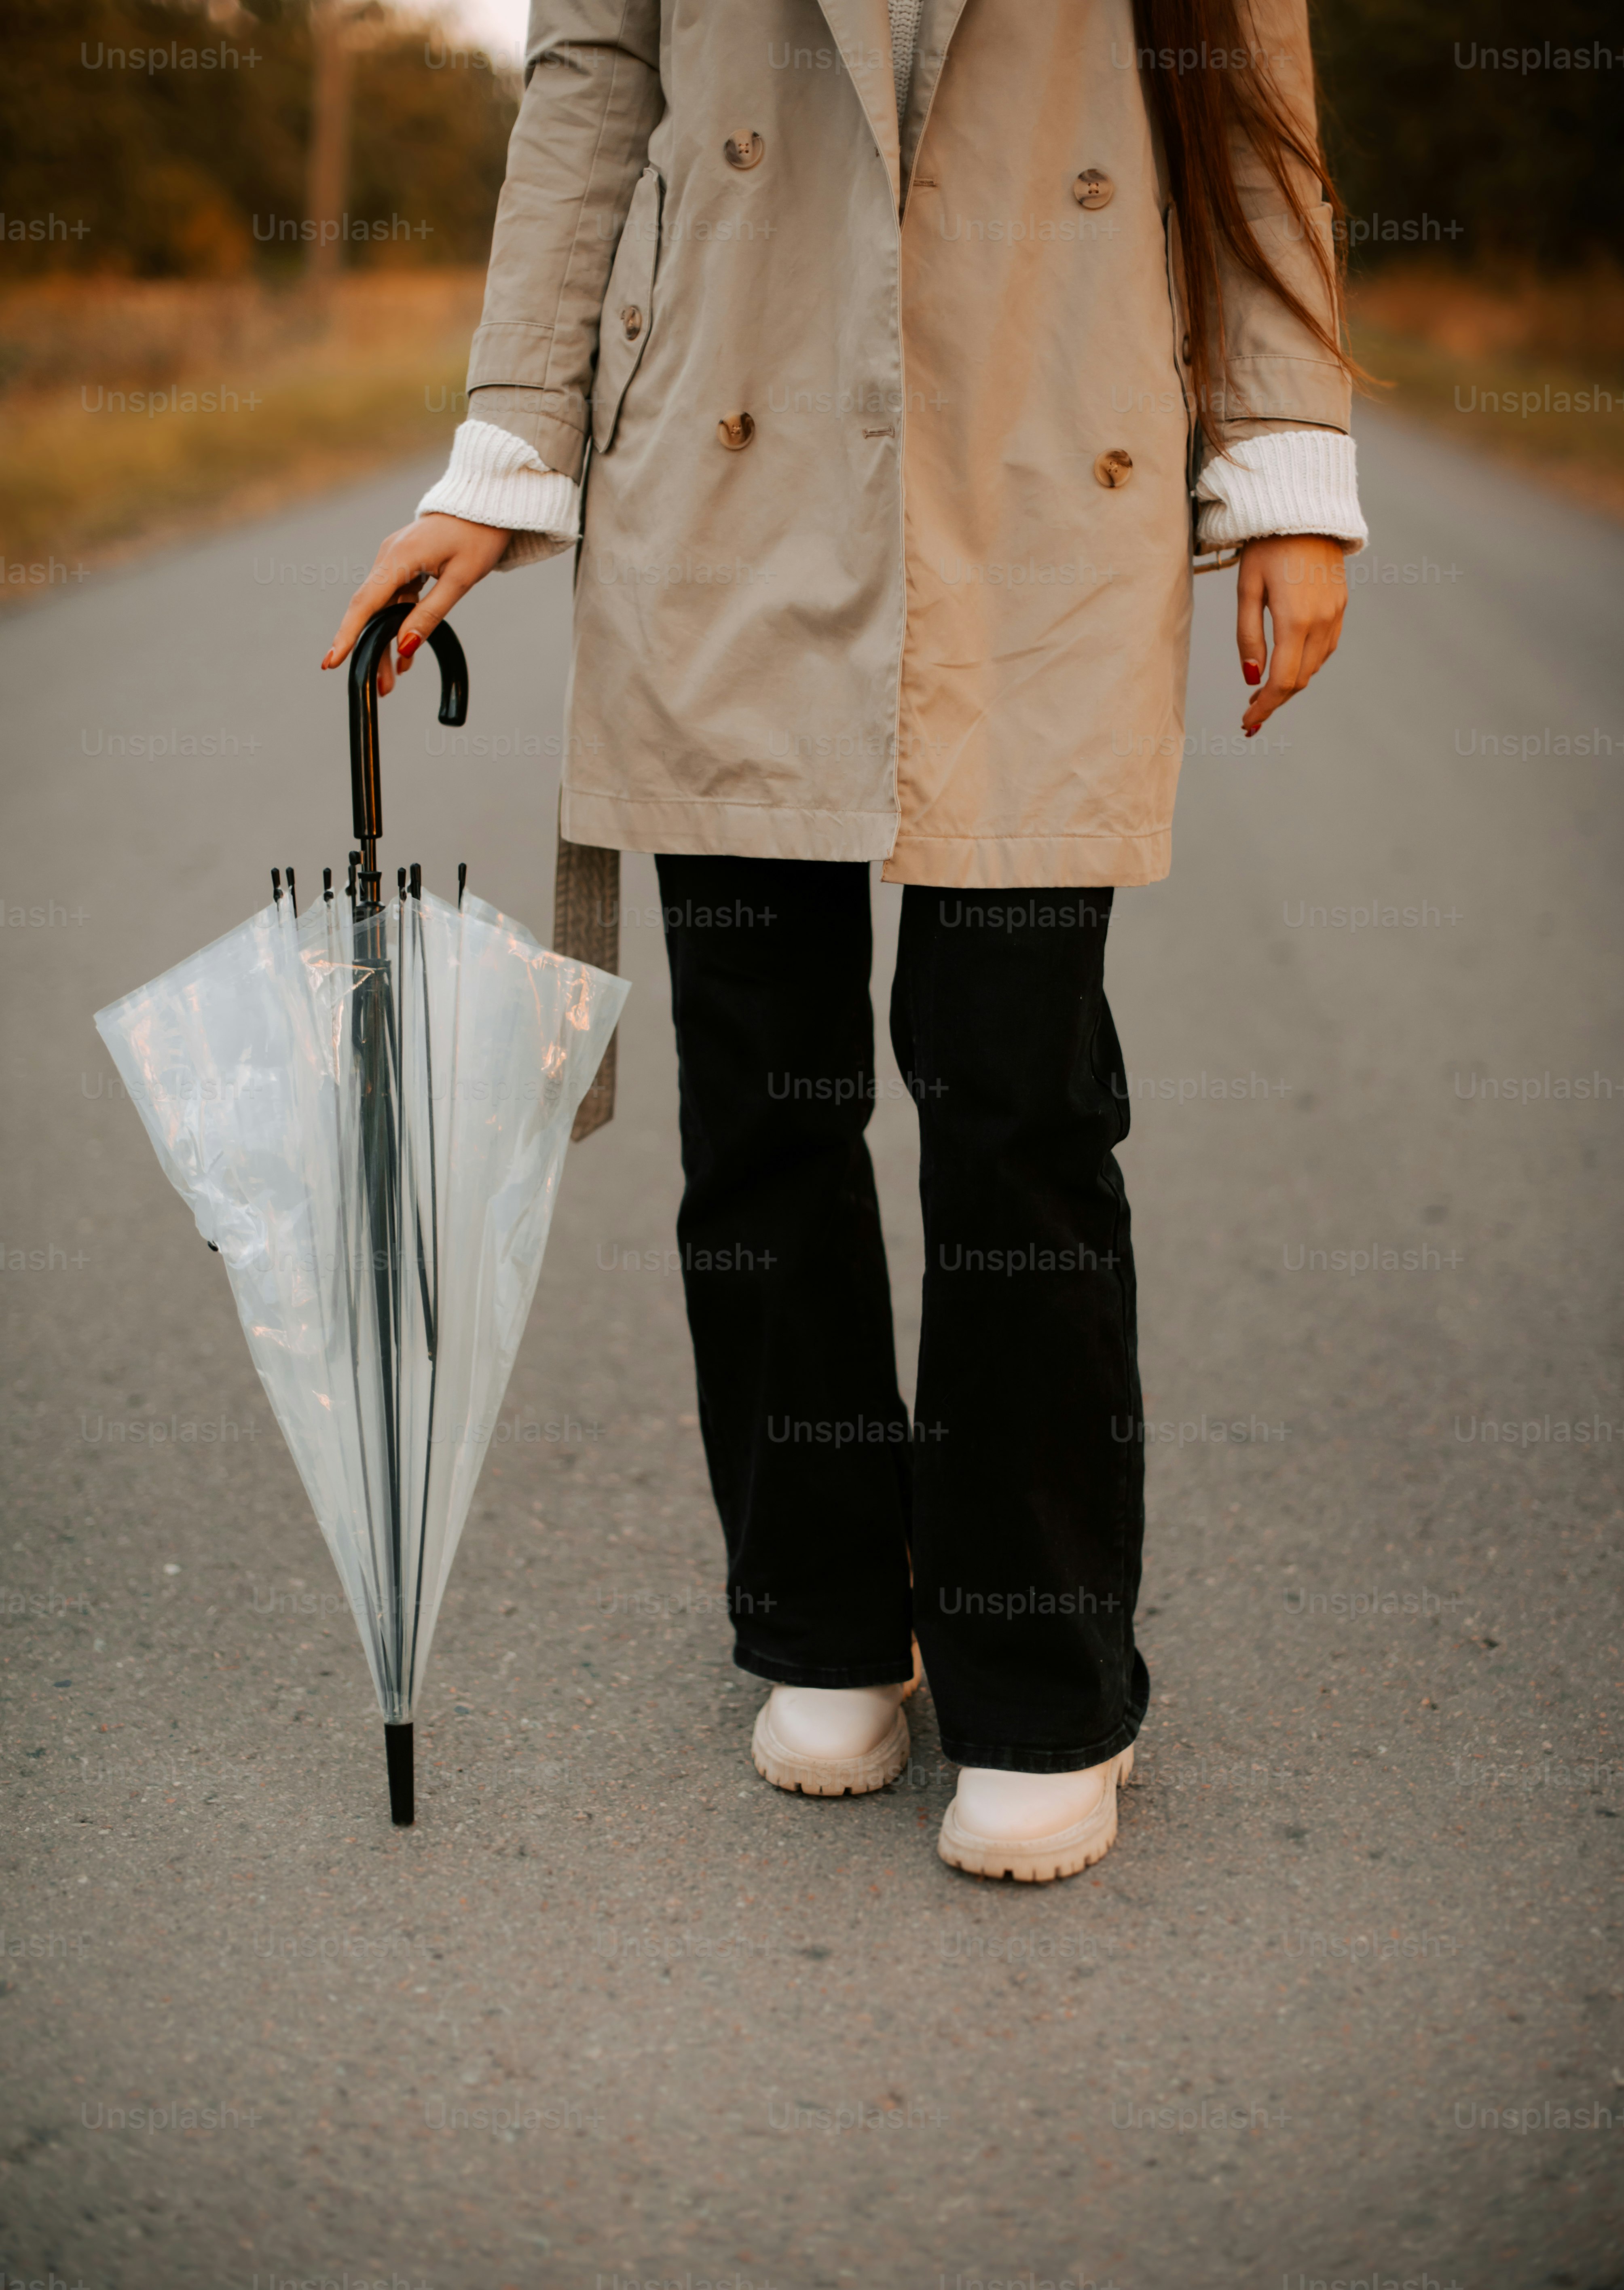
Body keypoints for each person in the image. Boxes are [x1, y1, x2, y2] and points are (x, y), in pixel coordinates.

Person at [325, 0, 1366, 1882]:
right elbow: (591, 81)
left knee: (1017, 1109)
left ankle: (1042, 1672)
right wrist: (501, 447)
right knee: (762, 1105)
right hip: (720, 451)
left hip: (1046, 441)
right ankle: (822, 1611)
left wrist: (1288, 442)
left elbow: (1242, 85)